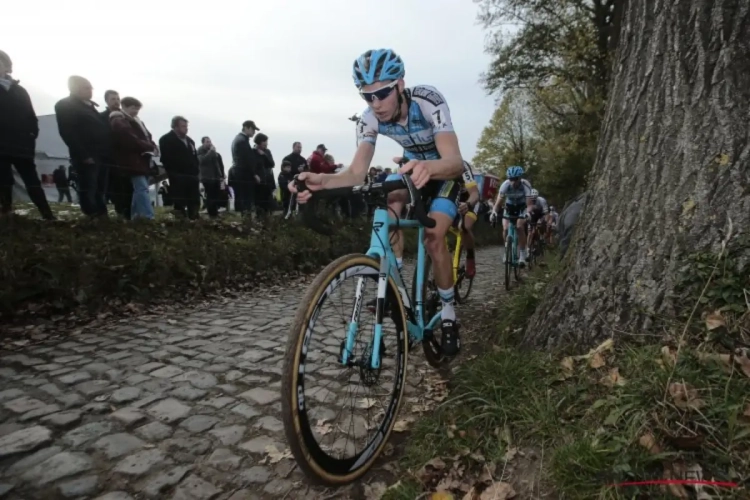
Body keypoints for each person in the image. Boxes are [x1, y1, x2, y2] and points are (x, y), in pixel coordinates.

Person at [288, 49, 465, 356]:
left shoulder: (428, 101)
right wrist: (322, 180)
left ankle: (449, 311)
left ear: (400, 85)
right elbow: (356, 172)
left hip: (442, 172)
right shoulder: (370, 118)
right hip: (412, 170)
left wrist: (431, 167)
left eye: (382, 93)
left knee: (434, 237)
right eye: (366, 96)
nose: (375, 104)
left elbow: (455, 161)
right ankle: (393, 286)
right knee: (388, 203)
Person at [489, 166, 535, 266]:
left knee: (519, 227)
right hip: (509, 207)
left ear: (520, 178)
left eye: (516, 179)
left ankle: (522, 254)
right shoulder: (505, 185)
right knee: (505, 229)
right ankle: (507, 250)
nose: (513, 182)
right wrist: (494, 212)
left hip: (522, 208)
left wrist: (528, 213)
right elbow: (498, 204)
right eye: (511, 179)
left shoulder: (525, 185)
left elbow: (530, 204)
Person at [455, 160, 480, 277]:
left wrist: (468, 204)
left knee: (463, 226)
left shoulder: (462, 166)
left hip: (468, 199)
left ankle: (470, 257)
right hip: (449, 198)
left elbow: (475, 193)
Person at [527, 188, 549, 253]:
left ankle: (542, 236)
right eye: (532, 200)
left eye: (534, 200)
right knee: (530, 232)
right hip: (532, 215)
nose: (533, 201)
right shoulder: (527, 200)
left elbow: (546, 214)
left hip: (540, 214)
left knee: (541, 224)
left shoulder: (542, 201)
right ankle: (528, 249)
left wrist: (544, 221)